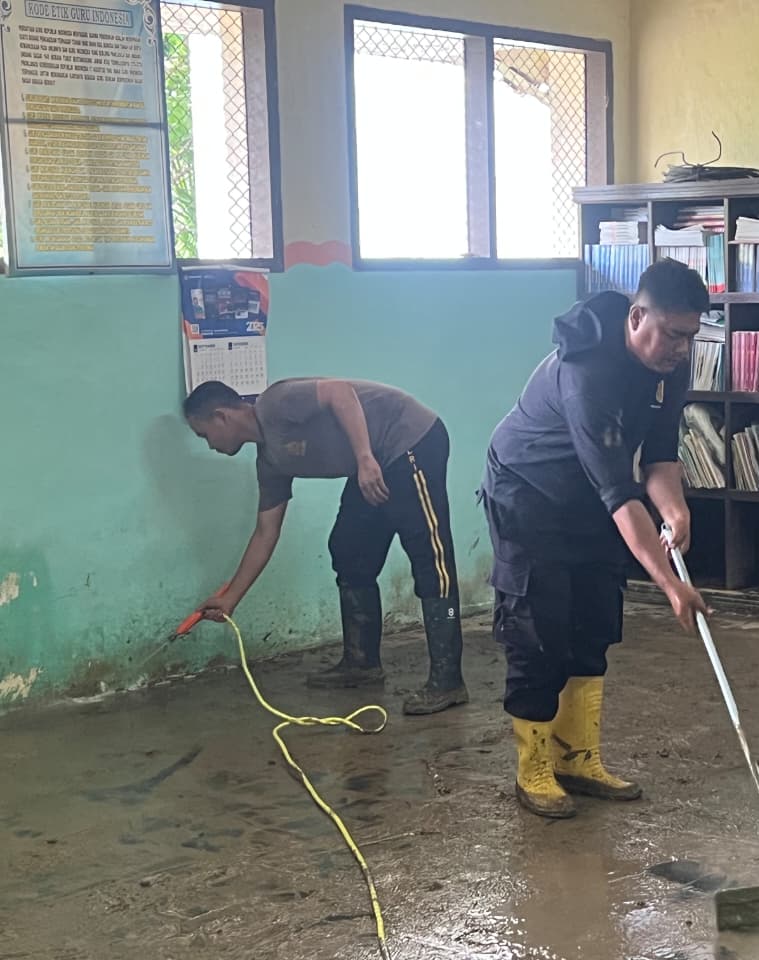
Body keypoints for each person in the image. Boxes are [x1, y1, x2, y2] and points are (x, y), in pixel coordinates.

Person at [482, 259, 711, 819]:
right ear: (637, 317)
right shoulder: (587, 371)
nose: (682, 348)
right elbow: (618, 492)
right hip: (528, 491)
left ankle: (576, 756)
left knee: (593, 618)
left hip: (593, 496)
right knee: (539, 626)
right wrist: (670, 584)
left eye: (691, 337)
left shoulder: (668, 367)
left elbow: (658, 455)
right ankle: (533, 768)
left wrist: (675, 508)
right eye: (674, 335)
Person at [183, 378, 468, 715]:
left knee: (431, 560)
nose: (209, 445)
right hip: (374, 462)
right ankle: (361, 662)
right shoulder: (271, 463)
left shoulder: (275, 403)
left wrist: (363, 459)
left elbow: (339, 392)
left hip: (409, 441)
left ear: (222, 417)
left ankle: (448, 680)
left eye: (204, 435)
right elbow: (265, 532)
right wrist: (230, 598)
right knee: (349, 550)